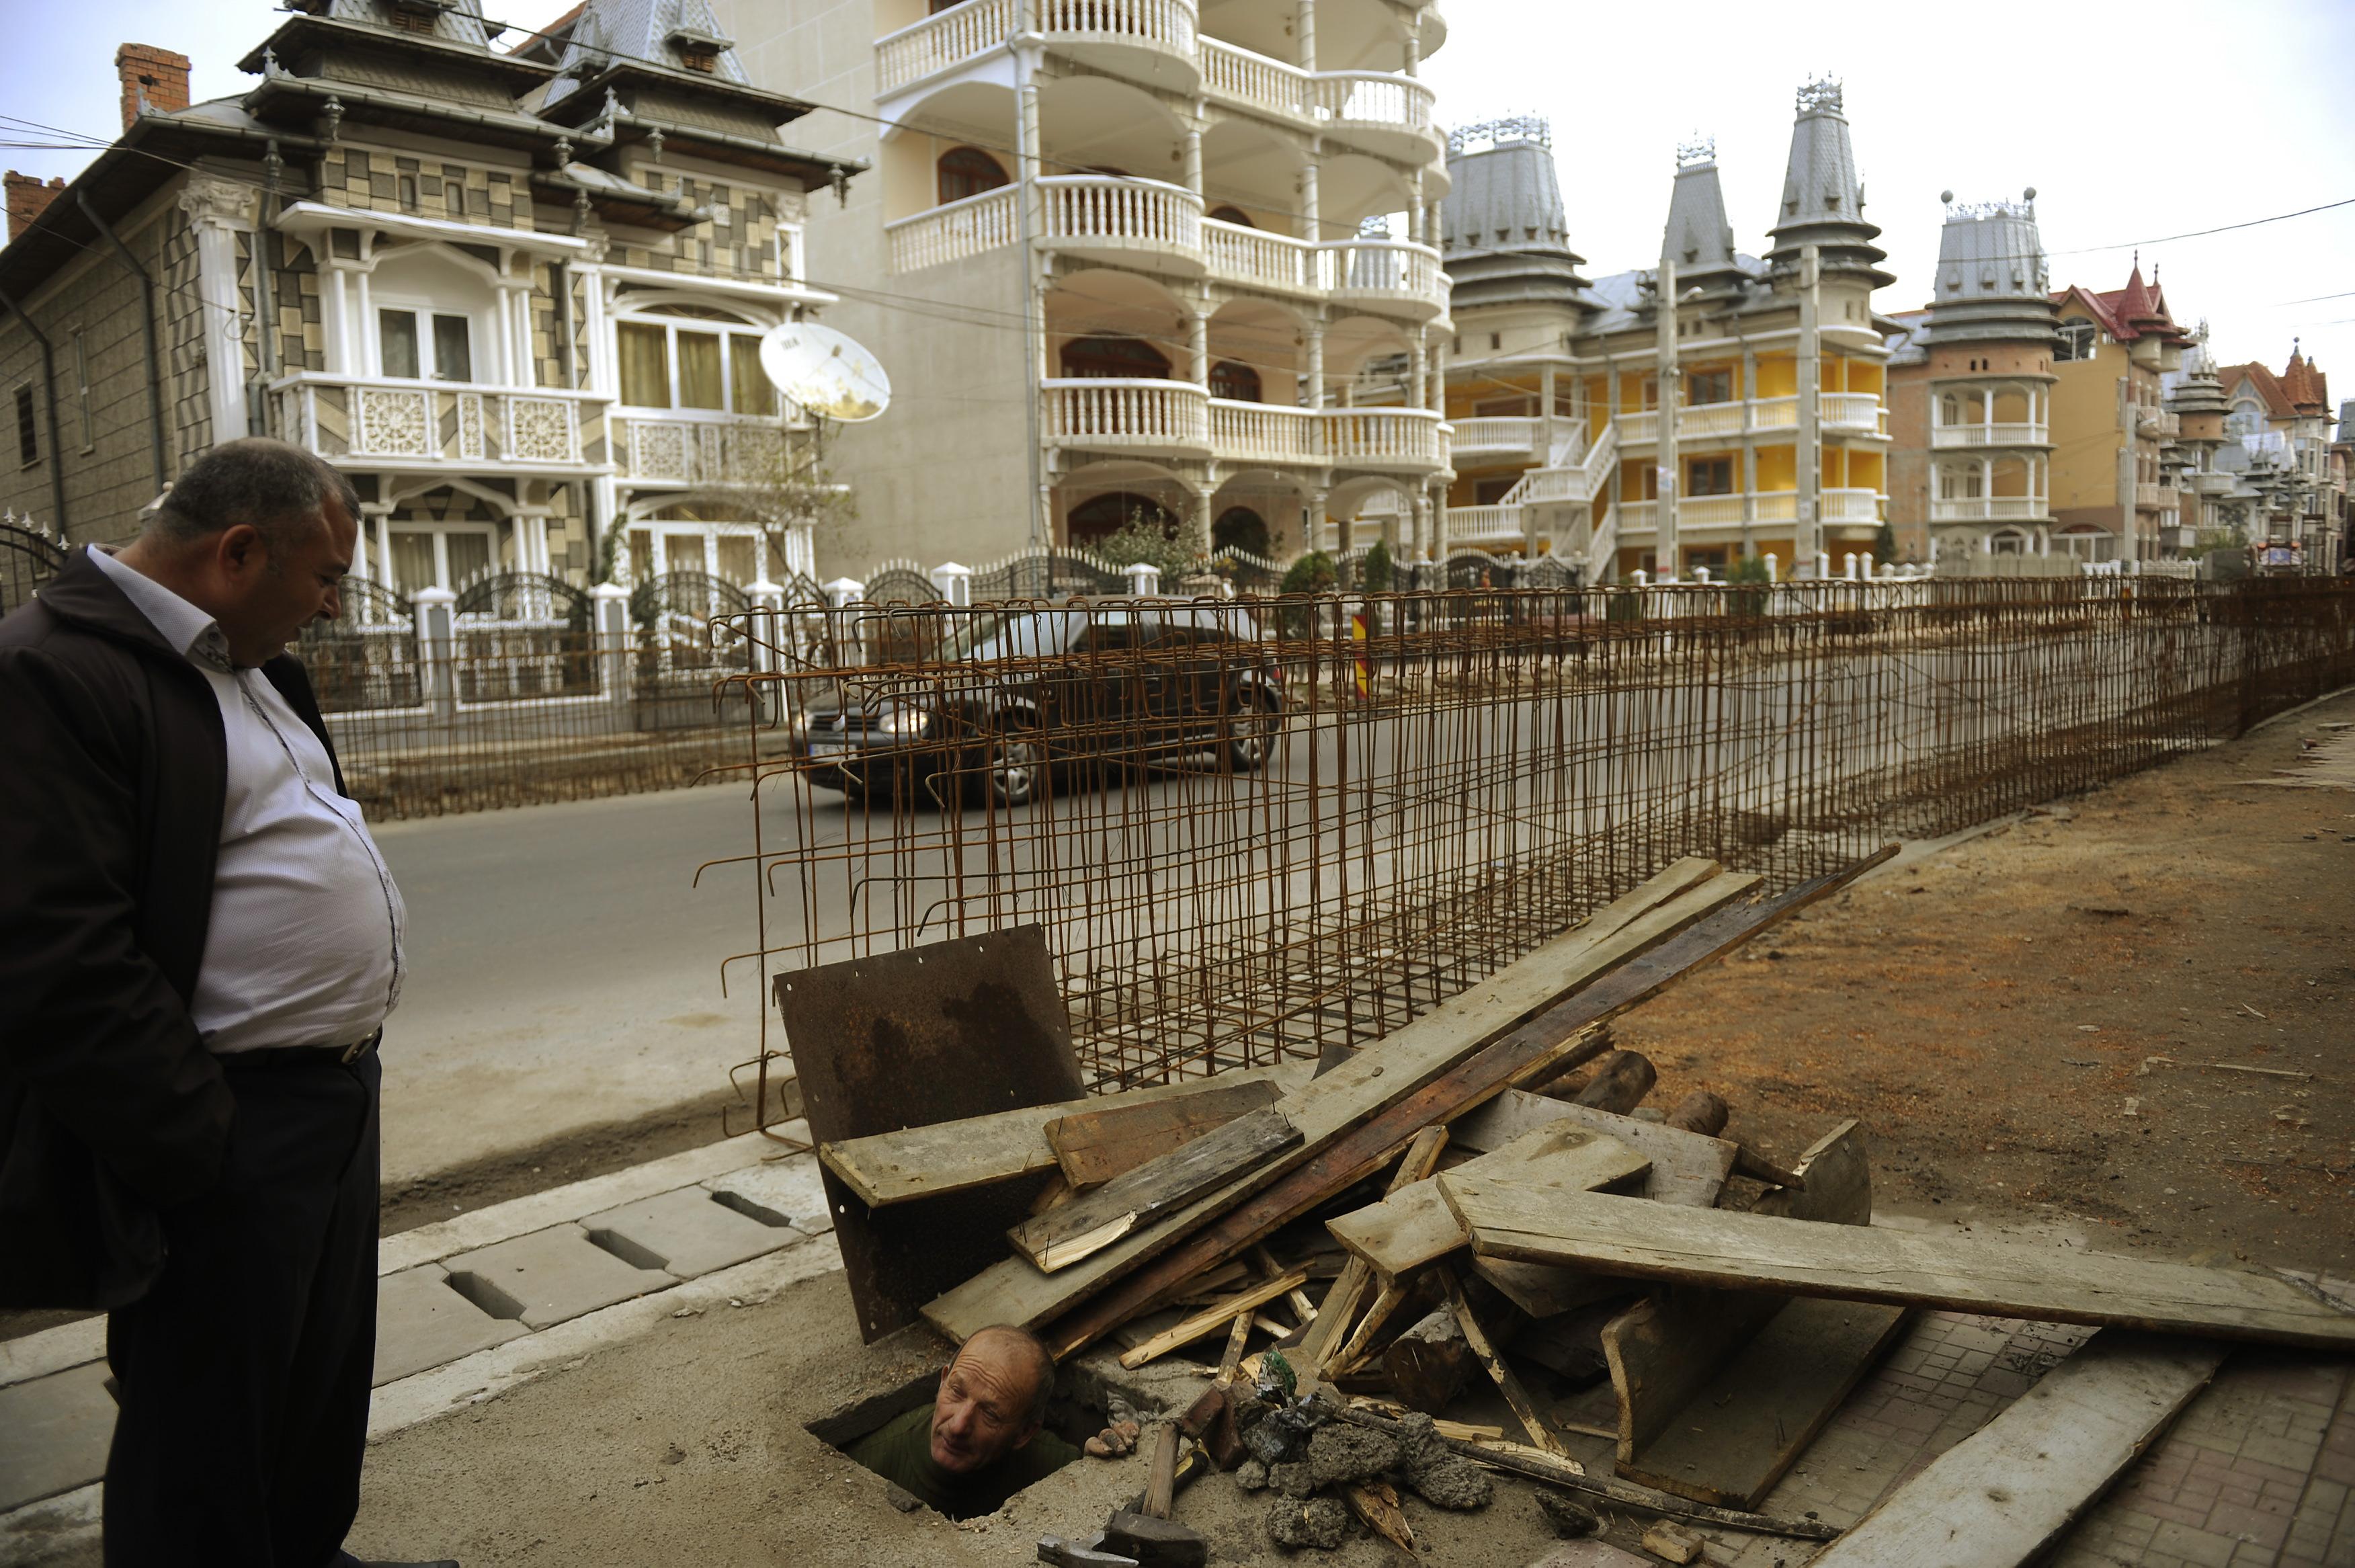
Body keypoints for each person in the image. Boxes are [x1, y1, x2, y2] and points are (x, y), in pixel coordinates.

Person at [0, 439, 454, 1568]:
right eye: (327, 576)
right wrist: (198, 1141)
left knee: (311, 1384)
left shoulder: (249, 665)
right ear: (239, 551)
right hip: (226, 1119)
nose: (334, 606)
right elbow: (57, 954)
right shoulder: (50, 669)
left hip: (329, 1095)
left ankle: (304, 1553)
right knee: (202, 1427)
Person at [848, 1324, 1081, 1519]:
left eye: (990, 1414)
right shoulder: (869, 1463)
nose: (958, 1426)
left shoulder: (1051, 1463)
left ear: (1024, 1433)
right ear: (943, 1380)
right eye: (957, 1392)